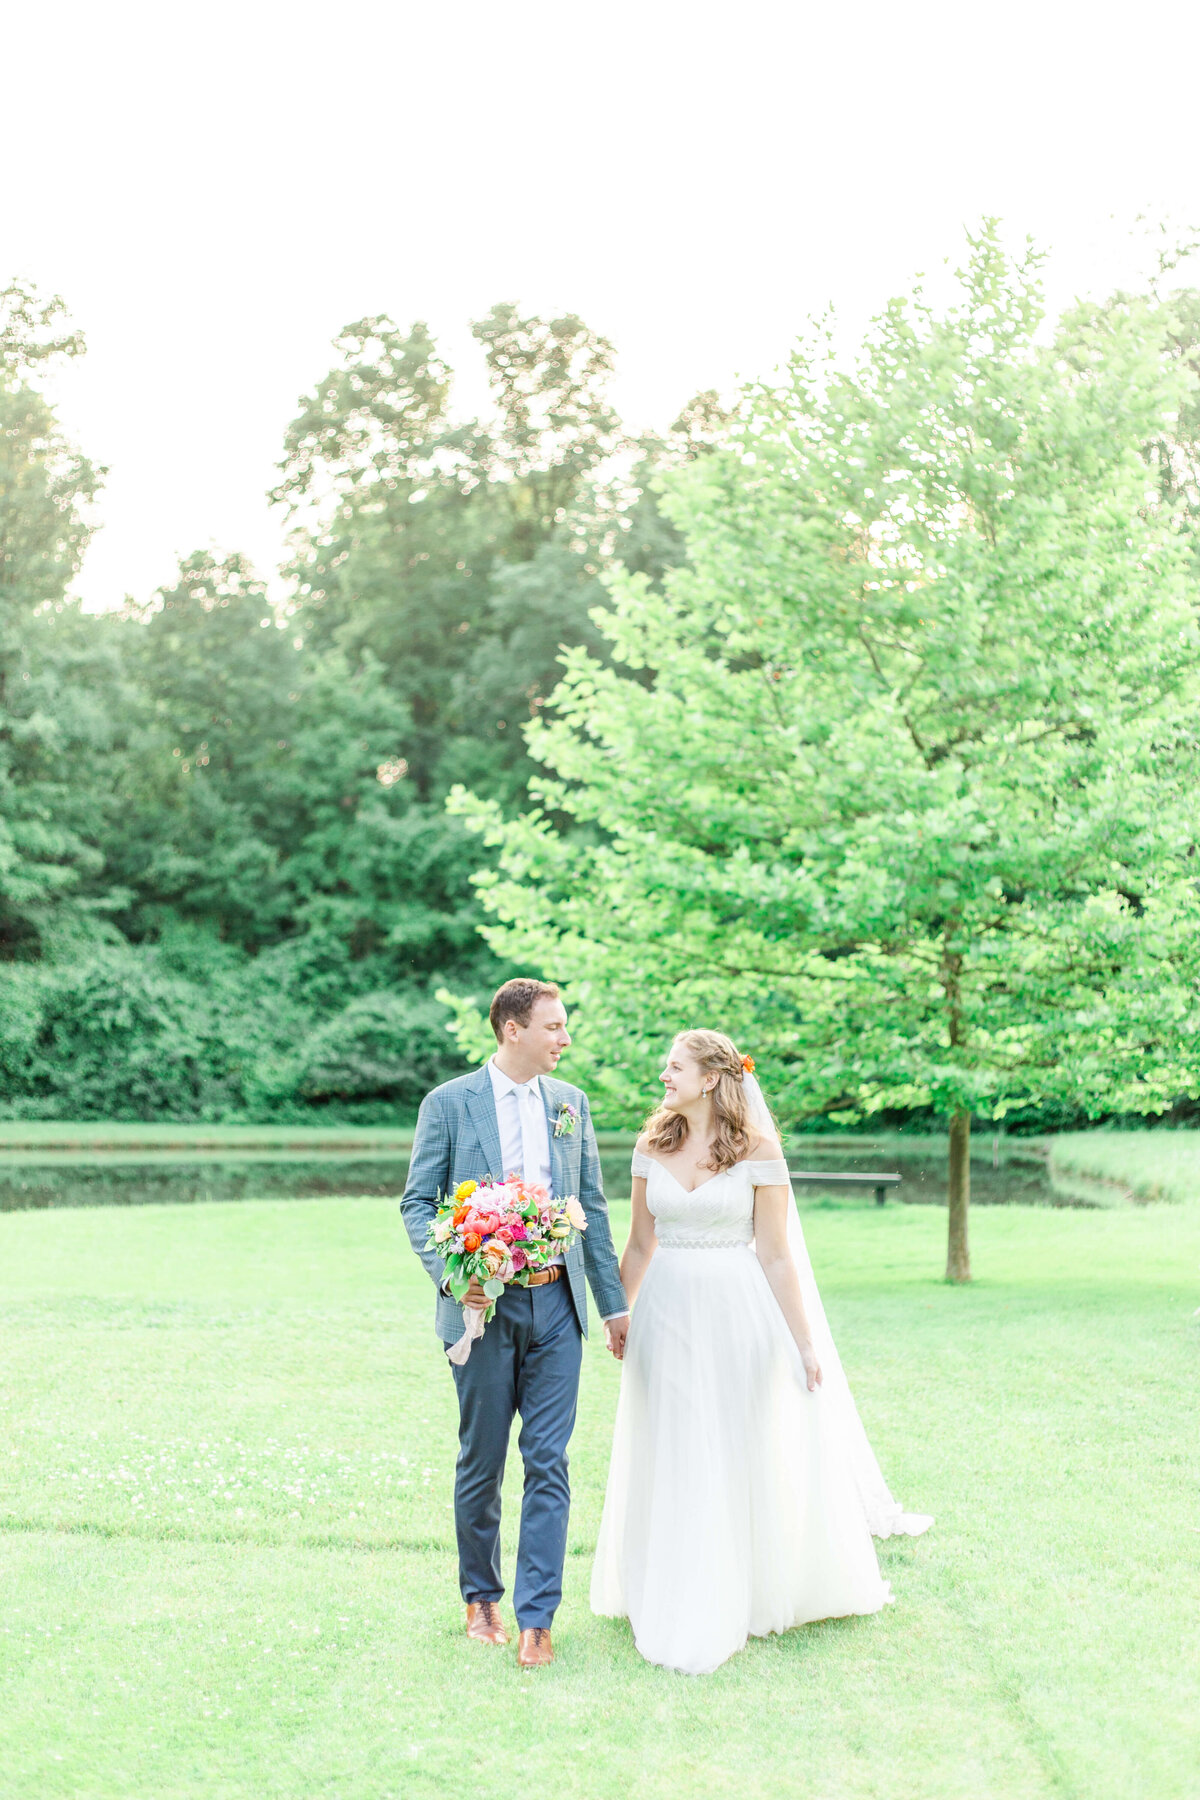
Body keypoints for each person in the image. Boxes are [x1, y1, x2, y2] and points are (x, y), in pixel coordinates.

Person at [591, 1028, 931, 1675]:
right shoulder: (650, 1145)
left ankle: (740, 1586)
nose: (664, 1078)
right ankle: (665, 1579)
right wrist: (618, 1310)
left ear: (711, 1078)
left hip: (737, 1313)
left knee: (731, 1444)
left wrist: (804, 1344)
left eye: (674, 1068)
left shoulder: (759, 1150)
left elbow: (775, 1254)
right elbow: (638, 1244)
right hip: (663, 1315)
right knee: (671, 1441)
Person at [400, 978, 628, 1668]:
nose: (564, 1039)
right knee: (483, 1457)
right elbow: (417, 1204)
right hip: (482, 1310)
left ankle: (538, 1617)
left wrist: (613, 1306)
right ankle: (481, 1599)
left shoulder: (570, 1105)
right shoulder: (448, 1104)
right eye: (554, 1027)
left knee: (550, 1460)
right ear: (512, 1031)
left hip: (558, 1305)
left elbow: (591, 1203)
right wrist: (456, 1276)